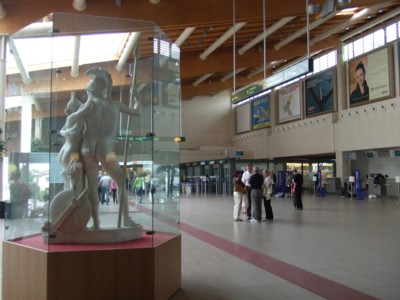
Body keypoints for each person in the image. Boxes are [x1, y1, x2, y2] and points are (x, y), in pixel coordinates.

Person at [66, 67, 140, 229]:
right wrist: (137, 98)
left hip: (88, 147)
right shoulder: (115, 105)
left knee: (91, 185)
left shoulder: (88, 105)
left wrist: (70, 120)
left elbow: (72, 120)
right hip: (106, 150)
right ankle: (126, 219)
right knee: (120, 181)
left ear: (91, 90)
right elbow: (137, 112)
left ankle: (96, 224)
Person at [58, 94, 85, 192]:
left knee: (69, 176)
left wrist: (65, 133)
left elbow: (69, 131)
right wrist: (66, 132)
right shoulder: (73, 118)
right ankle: (69, 195)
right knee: (69, 176)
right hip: (69, 147)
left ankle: (70, 195)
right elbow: (70, 131)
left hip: (69, 147)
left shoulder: (75, 118)